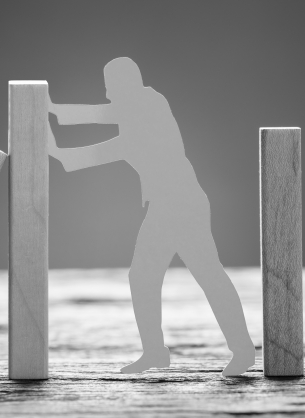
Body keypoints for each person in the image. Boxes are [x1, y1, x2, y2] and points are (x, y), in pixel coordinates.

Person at [47, 57, 255, 375]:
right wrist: (52, 115)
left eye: (110, 86)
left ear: (127, 84)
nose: (107, 93)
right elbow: (94, 126)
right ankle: (155, 352)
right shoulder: (137, 112)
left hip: (181, 205)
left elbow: (106, 135)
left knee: (208, 276)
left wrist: (57, 136)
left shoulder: (148, 105)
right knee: (145, 277)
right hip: (164, 207)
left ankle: (241, 350)